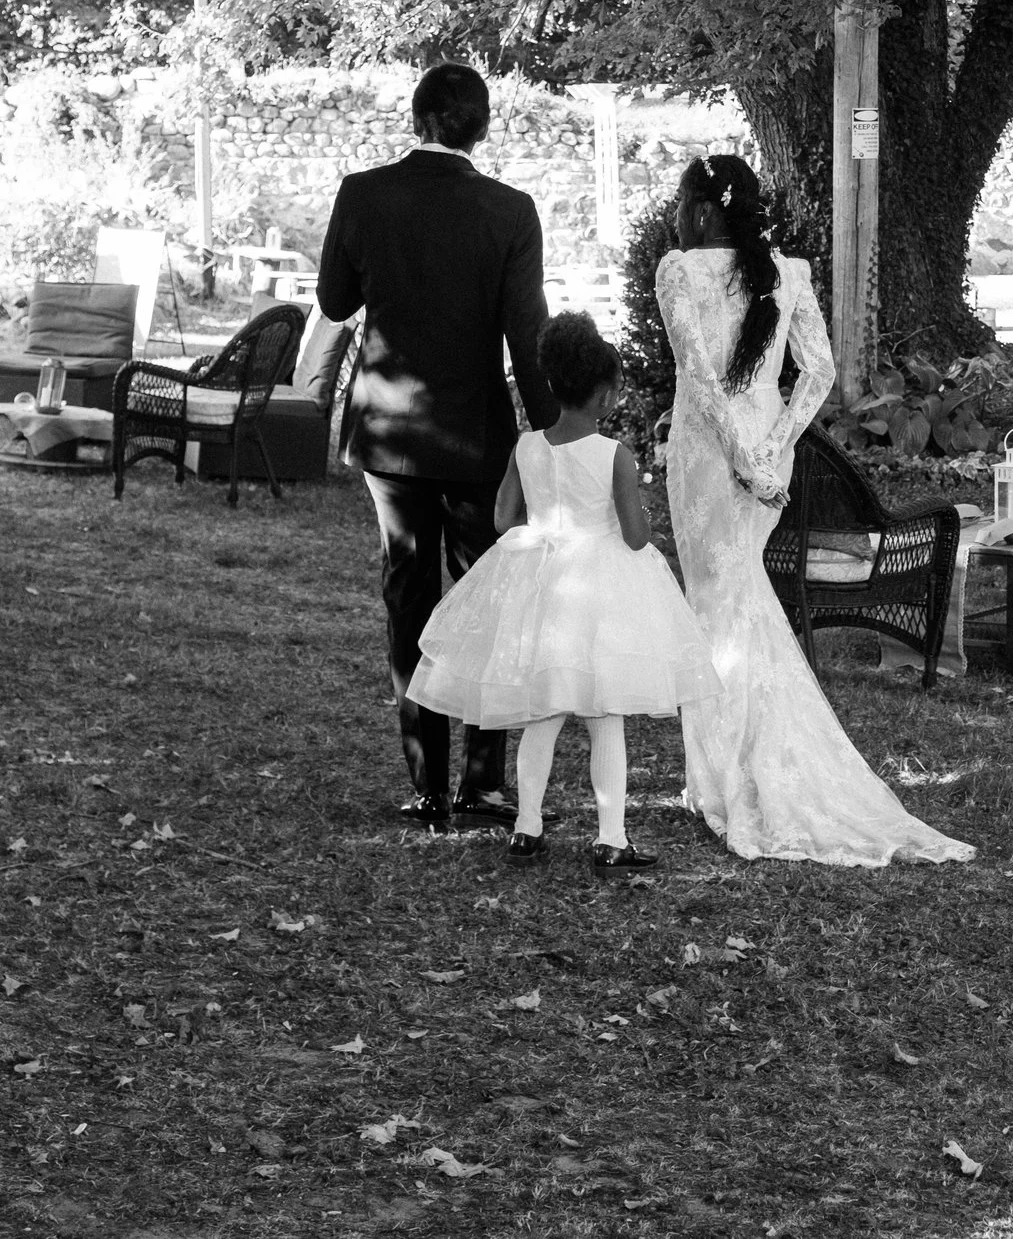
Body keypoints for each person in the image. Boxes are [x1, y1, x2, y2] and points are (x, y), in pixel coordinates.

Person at [656, 155, 975, 867]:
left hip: (711, 458)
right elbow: (820, 373)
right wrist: (774, 445)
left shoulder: (678, 270)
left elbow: (699, 378)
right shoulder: (789, 272)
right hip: (764, 452)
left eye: (680, 203)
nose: (675, 217)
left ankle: (730, 779)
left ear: (704, 210)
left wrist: (743, 455)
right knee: (738, 601)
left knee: (716, 603)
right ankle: (728, 770)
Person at [318, 64, 560, 832]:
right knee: (483, 598)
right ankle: (482, 782)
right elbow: (528, 334)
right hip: (475, 435)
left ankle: (426, 783)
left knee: (407, 592)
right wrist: (555, 428)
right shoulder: (511, 211)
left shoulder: (364, 194)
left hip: (387, 432)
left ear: (417, 117)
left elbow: (332, 301)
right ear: (482, 128)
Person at [407, 313, 720, 872]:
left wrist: (546, 521)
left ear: (551, 384)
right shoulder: (614, 455)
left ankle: (526, 829)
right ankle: (612, 839)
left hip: (544, 587)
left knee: (542, 716)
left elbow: (503, 519)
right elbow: (634, 535)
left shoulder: (527, 446)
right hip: (601, 593)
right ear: (605, 395)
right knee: (606, 718)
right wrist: (638, 507)